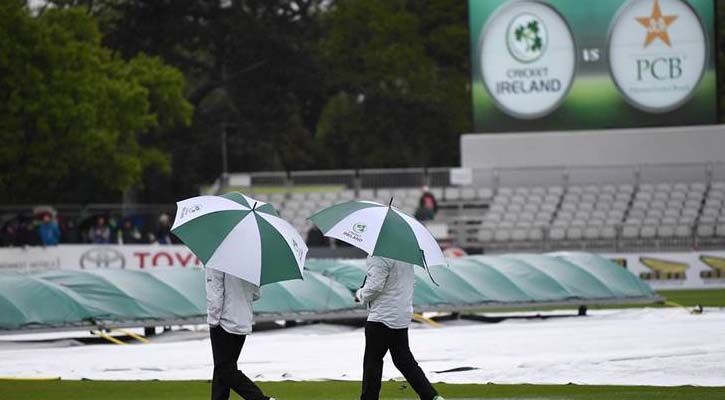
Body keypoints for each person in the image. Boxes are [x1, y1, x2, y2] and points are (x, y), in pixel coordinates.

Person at [355, 256, 444, 400]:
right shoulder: (404, 256)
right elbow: (409, 284)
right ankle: (431, 396)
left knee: (373, 362)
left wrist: (360, 294)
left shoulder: (378, 256)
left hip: (381, 317)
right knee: (404, 361)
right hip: (401, 315)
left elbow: (374, 288)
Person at [206, 267, 276, 400]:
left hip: (223, 321)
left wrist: (213, 320)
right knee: (224, 368)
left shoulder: (216, 260)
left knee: (224, 369)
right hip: (243, 320)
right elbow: (256, 294)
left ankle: (260, 399)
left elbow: (214, 292)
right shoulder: (249, 261)